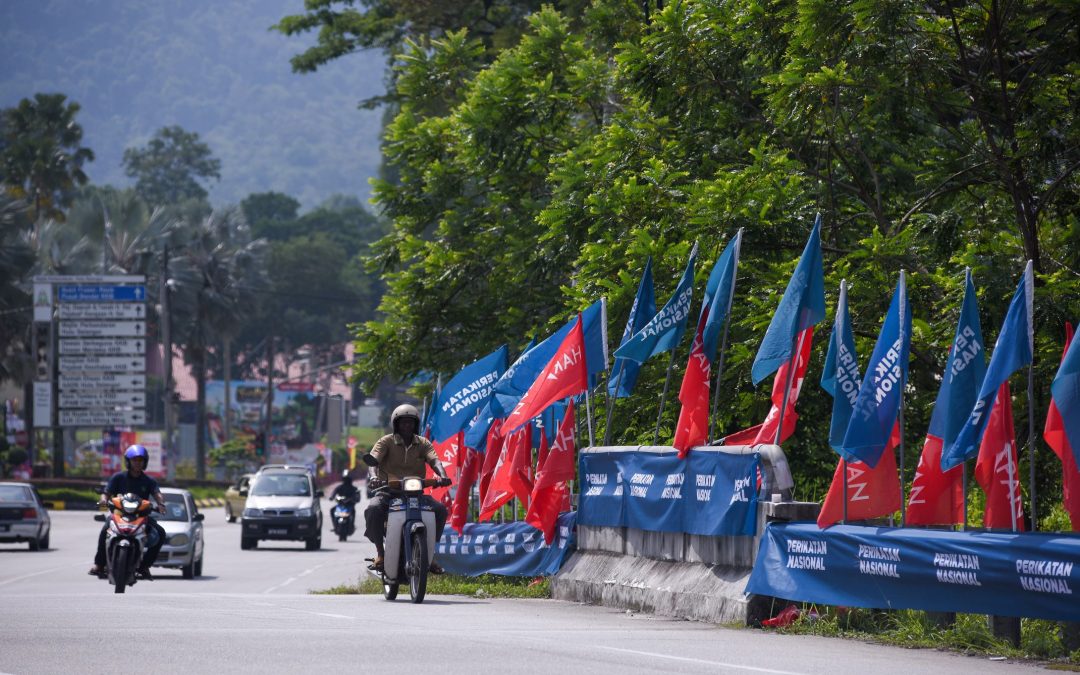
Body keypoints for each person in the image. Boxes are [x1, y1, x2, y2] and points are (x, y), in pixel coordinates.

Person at [363, 404, 451, 573]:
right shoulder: (386, 441)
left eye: (410, 423)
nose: (407, 426)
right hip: (388, 491)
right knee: (373, 509)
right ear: (396, 424)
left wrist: (442, 475)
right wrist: (374, 477)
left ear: (415, 424)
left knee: (440, 510)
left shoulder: (423, 443)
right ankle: (380, 554)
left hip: (415, 493)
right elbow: (374, 461)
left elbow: (435, 461)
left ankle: (430, 556)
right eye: (403, 422)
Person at [89, 445, 167, 579]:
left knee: (160, 533)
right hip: (119, 514)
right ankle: (99, 565)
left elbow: (157, 493)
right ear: (128, 461)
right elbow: (106, 492)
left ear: (145, 462)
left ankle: (144, 566)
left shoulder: (149, 481)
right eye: (135, 460)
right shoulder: (118, 477)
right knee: (104, 530)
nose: (137, 463)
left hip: (141, 516)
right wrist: (103, 500)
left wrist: (160, 504)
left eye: (140, 460)